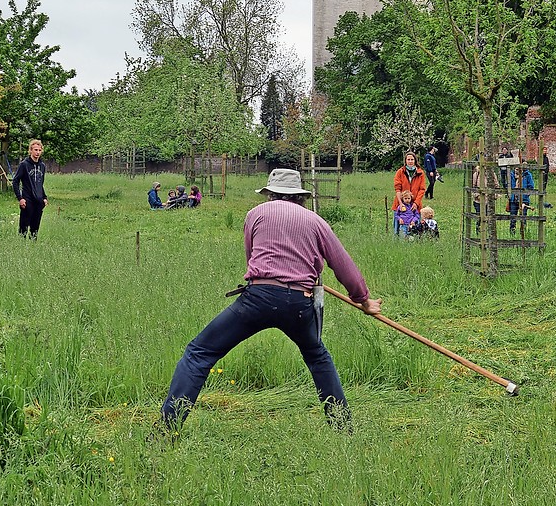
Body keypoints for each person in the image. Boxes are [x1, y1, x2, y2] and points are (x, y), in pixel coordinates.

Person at [159, 168, 381, 434]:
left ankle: (166, 431)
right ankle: (344, 429)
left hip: (259, 298)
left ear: (270, 193)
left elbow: (251, 257)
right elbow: (343, 265)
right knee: (317, 357)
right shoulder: (316, 221)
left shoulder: (255, 215)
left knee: (199, 354)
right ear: (299, 196)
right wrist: (363, 300)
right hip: (300, 302)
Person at [11, 139, 48, 238]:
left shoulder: (42, 166)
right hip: (27, 199)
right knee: (24, 226)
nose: (37, 152)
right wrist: (20, 198)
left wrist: (44, 197)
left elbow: (40, 183)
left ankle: (33, 247)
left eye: (39, 150)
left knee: (35, 227)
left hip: (39, 200)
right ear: (30, 151)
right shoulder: (24, 165)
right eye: (35, 150)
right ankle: (21, 246)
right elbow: (15, 181)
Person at [392, 152, 427, 233]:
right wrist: (401, 203)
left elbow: (422, 189)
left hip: (415, 205)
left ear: (415, 161)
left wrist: (416, 203)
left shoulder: (420, 173)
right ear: (405, 161)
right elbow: (397, 189)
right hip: (401, 204)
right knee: (397, 229)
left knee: (415, 229)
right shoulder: (400, 172)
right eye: (408, 159)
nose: (410, 161)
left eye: (412, 159)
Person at [507, 165, 534, 234]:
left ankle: (523, 233)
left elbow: (531, 187)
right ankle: (512, 233)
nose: (517, 169)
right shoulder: (512, 175)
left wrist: (524, 195)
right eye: (516, 167)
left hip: (524, 200)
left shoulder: (527, 175)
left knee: (523, 218)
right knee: (513, 218)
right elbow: (508, 186)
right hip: (513, 200)